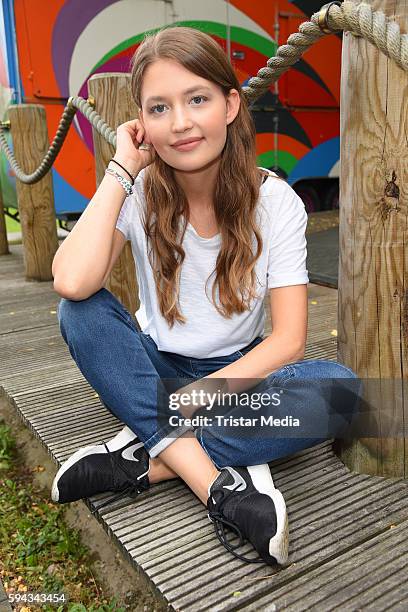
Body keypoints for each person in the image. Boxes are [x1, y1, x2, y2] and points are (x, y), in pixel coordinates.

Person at [50, 26, 360, 567]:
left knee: (341, 390)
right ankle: (220, 490)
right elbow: (73, 281)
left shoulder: (277, 201)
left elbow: (288, 341)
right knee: (81, 311)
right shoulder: (139, 191)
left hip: (236, 376)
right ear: (141, 125)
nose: (182, 123)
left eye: (198, 99)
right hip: (156, 369)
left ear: (231, 104)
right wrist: (122, 169)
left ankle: (144, 460)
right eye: (159, 108)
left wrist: (193, 401)